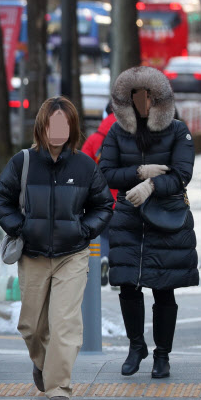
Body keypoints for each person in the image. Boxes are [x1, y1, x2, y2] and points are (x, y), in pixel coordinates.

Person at [0, 96, 113, 400]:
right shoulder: (23, 162)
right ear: (42, 127)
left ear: (72, 128)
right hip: (33, 255)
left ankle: (58, 387)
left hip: (72, 255)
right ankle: (44, 364)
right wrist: (20, 226)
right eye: (52, 123)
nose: (57, 129)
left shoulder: (85, 165)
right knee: (31, 326)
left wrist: (83, 230)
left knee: (64, 323)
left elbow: (104, 204)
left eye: (64, 123)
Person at [99, 66, 199, 379]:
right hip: (128, 217)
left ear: (159, 99)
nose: (142, 102)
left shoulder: (178, 130)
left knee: (163, 289)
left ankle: (162, 354)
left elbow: (182, 174)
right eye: (135, 97)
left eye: (147, 96)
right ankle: (135, 345)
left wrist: (154, 185)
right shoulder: (117, 132)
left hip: (165, 218)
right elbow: (105, 172)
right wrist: (140, 174)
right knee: (127, 285)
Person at [82, 103, 118, 283]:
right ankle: (116, 267)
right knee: (120, 235)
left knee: (102, 233)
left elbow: (81, 168)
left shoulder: (94, 139)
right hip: (122, 198)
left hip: (99, 199)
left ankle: (103, 259)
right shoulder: (126, 137)